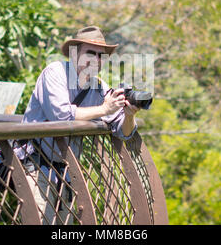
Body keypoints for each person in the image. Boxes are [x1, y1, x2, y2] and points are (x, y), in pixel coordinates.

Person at [14, 25, 140, 225]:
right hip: (34, 163)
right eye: (90, 52)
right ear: (74, 53)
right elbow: (62, 116)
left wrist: (129, 114)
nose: (97, 60)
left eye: (101, 55)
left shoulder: (98, 87)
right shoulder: (55, 72)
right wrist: (104, 110)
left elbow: (123, 132)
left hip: (66, 172)